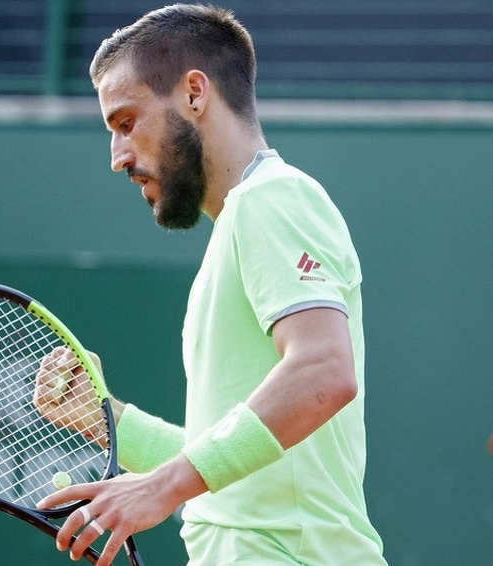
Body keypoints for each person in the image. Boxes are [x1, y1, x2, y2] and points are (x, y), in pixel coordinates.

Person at [33, 4, 387, 565]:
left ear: (195, 93)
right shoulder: (242, 222)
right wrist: (109, 420)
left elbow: (324, 370)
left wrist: (160, 487)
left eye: (127, 122)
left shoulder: (272, 198)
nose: (117, 156)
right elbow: (239, 478)